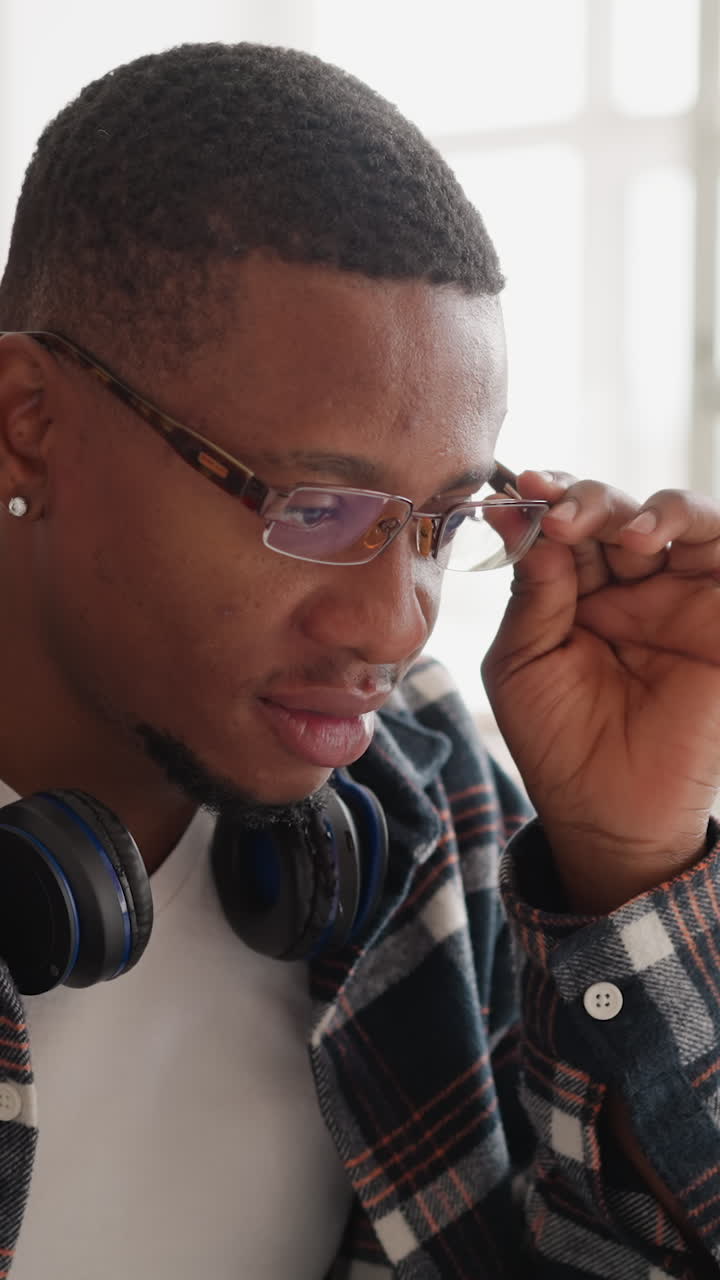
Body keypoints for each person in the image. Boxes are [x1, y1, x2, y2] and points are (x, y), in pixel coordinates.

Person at [0, 39, 718, 1280]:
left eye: (443, 520)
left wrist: (626, 864)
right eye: (315, 506)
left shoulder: (431, 800)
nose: (398, 626)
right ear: (28, 422)